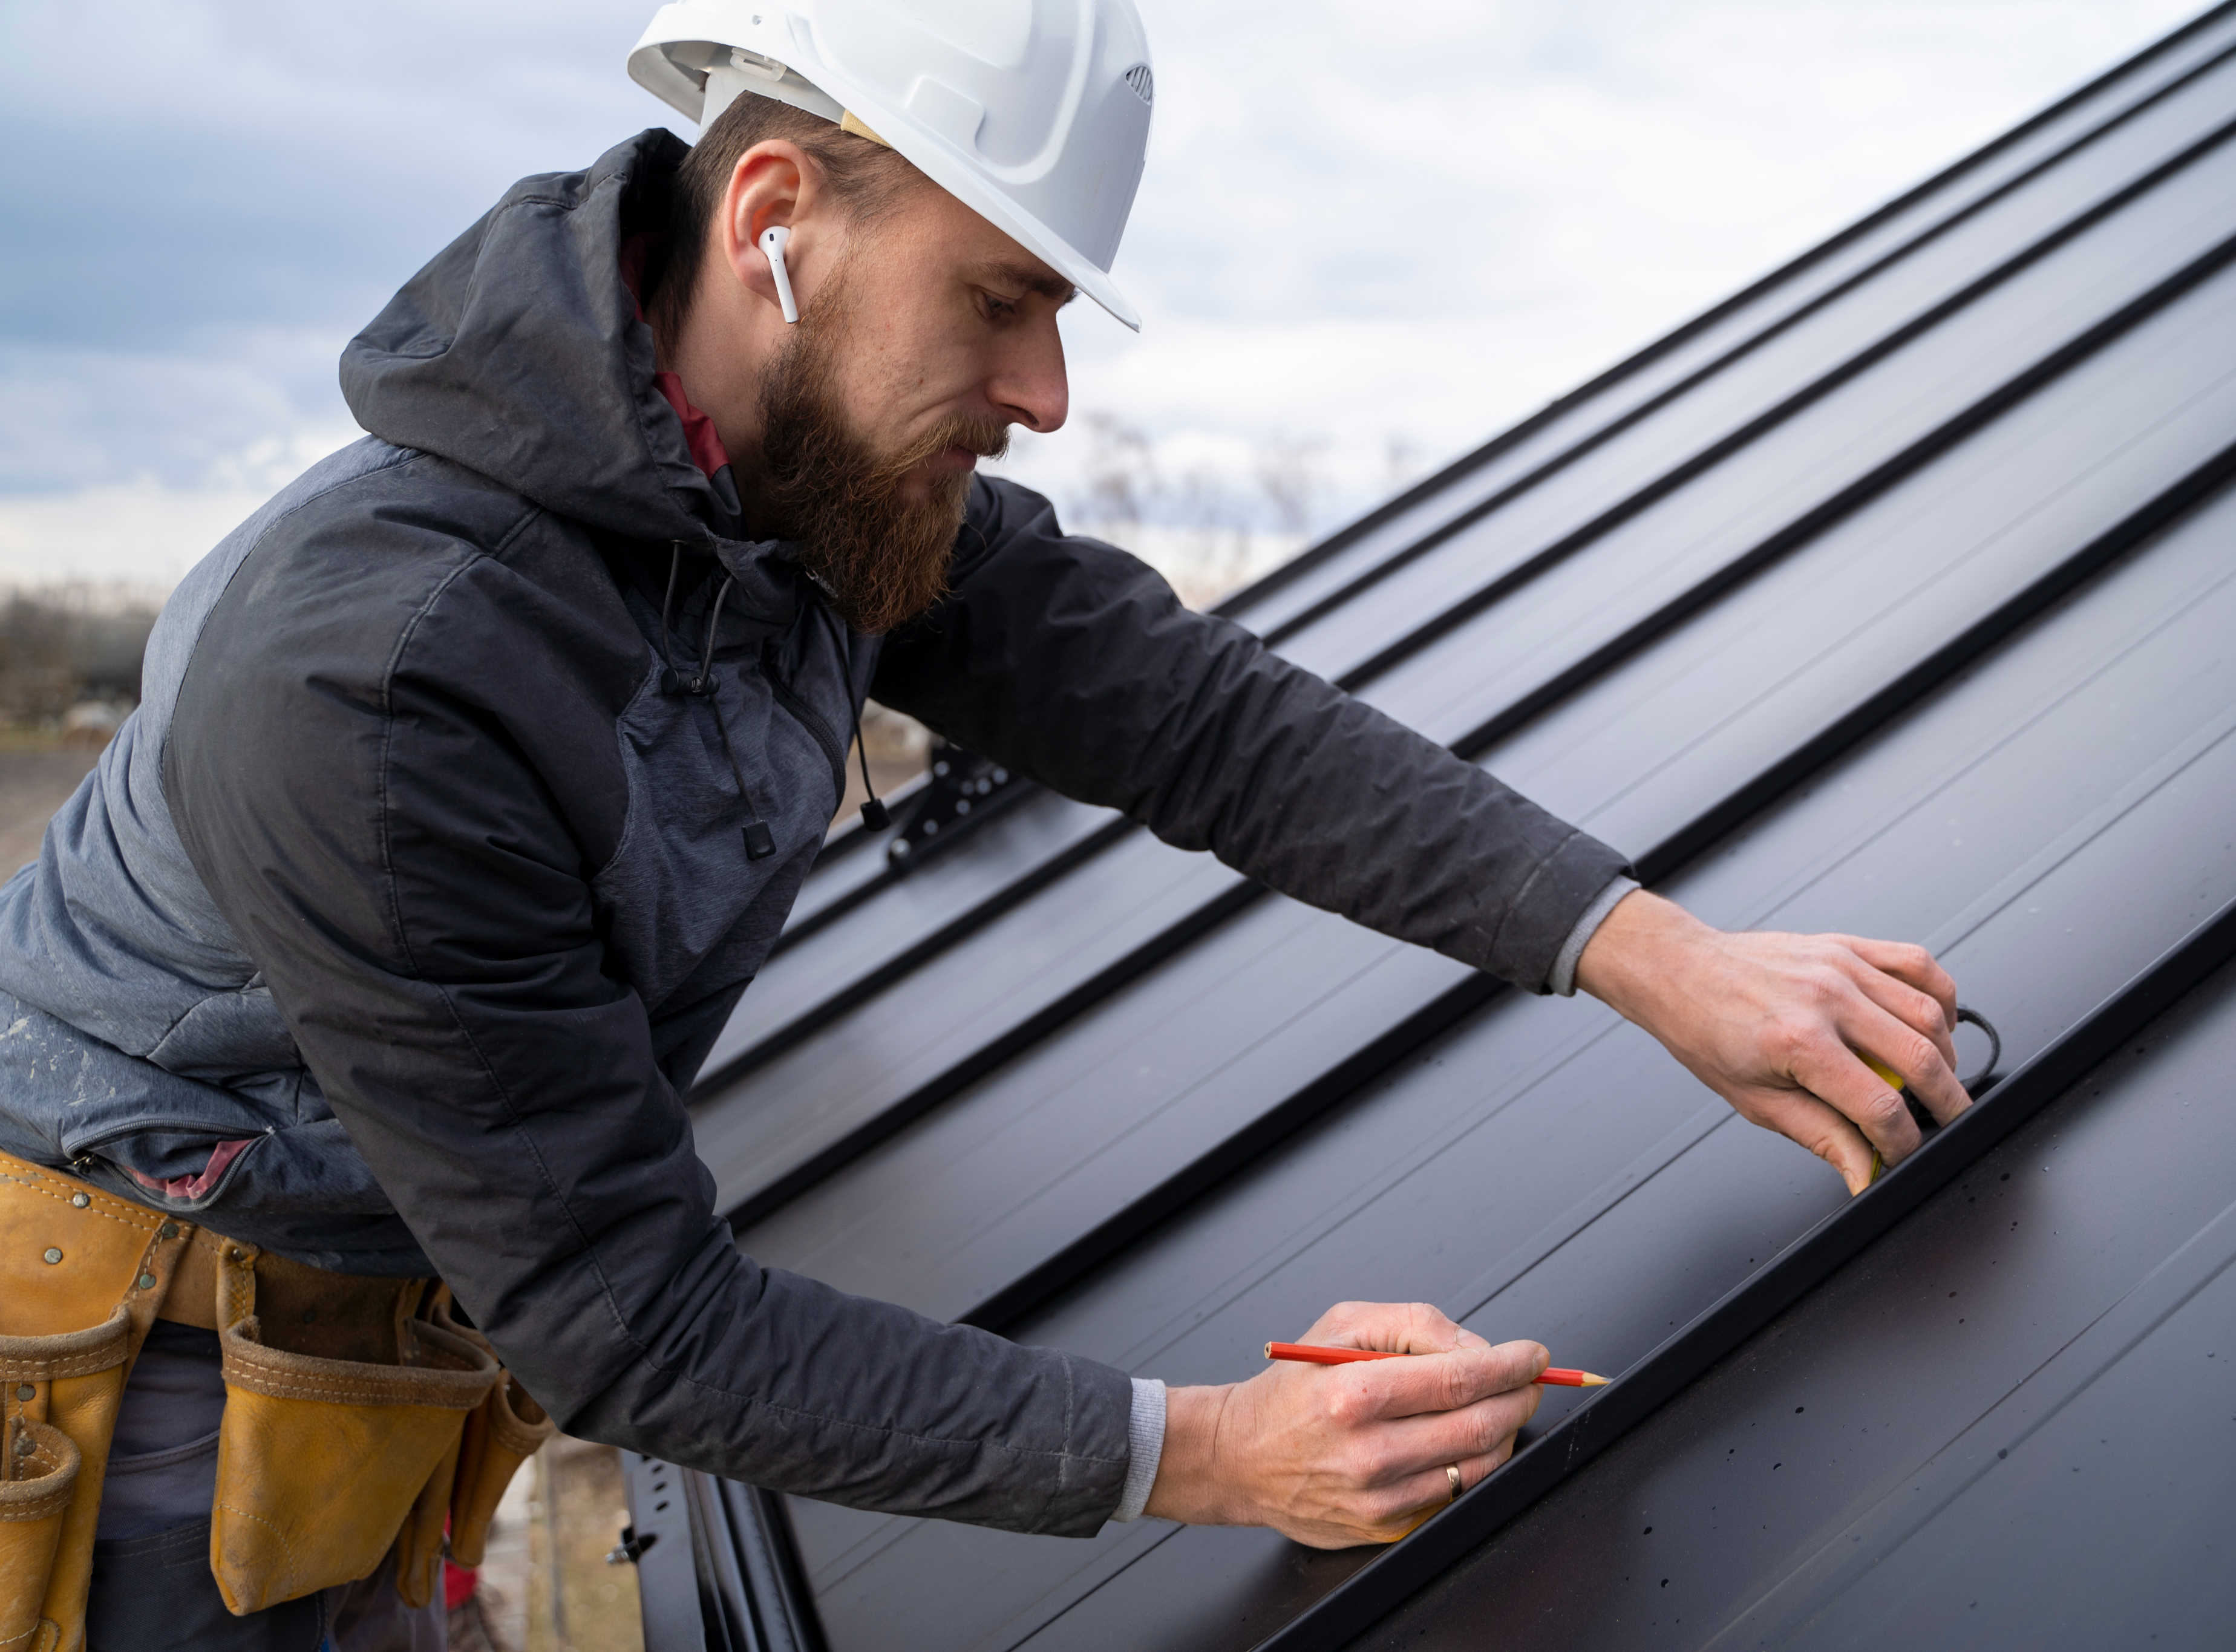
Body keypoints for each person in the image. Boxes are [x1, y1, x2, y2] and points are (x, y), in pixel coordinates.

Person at [0, 2, 1969, 1647]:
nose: (1040, 389)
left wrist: (1660, 953)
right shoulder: (380, 679)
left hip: (396, 1339)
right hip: (134, 1385)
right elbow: (637, 1314)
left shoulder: (798, 491)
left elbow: (1200, 722)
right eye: (1002, 297)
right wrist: (1221, 1450)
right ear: (775, 220)